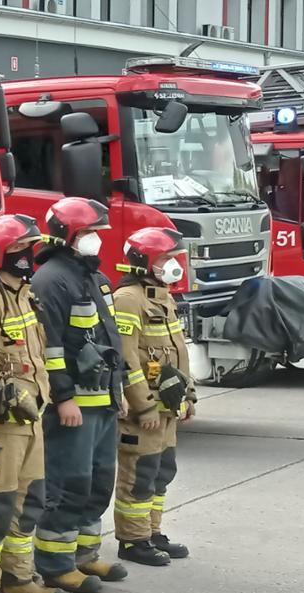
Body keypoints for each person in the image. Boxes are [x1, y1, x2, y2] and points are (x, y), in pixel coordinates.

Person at [0, 214, 69, 593]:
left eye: (29, 249)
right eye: (20, 251)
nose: (28, 257)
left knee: (29, 502)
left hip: (30, 420)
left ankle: (19, 579)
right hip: (2, 426)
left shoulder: (25, 295)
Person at [30, 197, 129, 593]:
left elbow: (108, 338)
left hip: (102, 400)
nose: (95, 240)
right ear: (67, 236)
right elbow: (51, 347)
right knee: (69, 482)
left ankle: (85, 555)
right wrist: (64, 398)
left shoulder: (91, 276)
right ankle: (55, 563)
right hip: (74, 407)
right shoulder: (51, 280)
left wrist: (116, 389)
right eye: (88, 233)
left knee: (99, 480)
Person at [111, 227, 197, 566]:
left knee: (163, 470)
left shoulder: (162, 295)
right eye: (165, 259)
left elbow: (178, 353)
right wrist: (142, 404)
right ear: (144, 261)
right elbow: (127, 358)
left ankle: (152, 531)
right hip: (145, 410)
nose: (173, 264)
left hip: (168, 407)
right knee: (139, 473)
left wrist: (188, 395)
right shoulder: (128, 299)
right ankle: (132, 540)